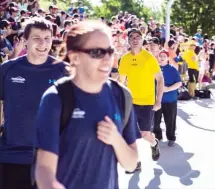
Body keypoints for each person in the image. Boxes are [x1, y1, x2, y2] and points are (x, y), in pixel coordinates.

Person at [35, 21, 140, 189]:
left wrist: (116, 139)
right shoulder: (56, 97)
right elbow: (44, 168)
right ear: (75, 57)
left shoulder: (121, 95)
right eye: (97, 52)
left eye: (110, 51)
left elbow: (131, 164)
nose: (107, 59)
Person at [0, 17, 68, 189]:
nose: (43, 43)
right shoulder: (7, 69)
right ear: (25, 40)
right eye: (37, 38)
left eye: (47, 38)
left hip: (52, 158)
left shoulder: (65, 71)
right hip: (12, 155)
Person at [118, 28, 164, 173]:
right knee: (129, 134)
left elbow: (160, 80)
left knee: (144, 134)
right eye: (132, 37)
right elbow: (121, 81)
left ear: (142, 40)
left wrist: (158, 101)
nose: (135, 39)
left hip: (146, 102)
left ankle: (153, 143)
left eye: (138, 36)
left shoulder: (149, 58)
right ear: (129, 40)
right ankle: (135, 163)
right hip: (131, 101)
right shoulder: (125, 59)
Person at [153, 50, 181, 147]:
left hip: (170, 100)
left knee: (170, 120)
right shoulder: (154, 69)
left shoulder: (172, 69)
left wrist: (168, 89)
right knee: (155, 121)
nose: (162, 57)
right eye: (160, 56)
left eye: (164, 56)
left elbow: (179, 83)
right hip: (157, 100)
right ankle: (158, 136)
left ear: (168, 58)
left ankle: (171, 137)